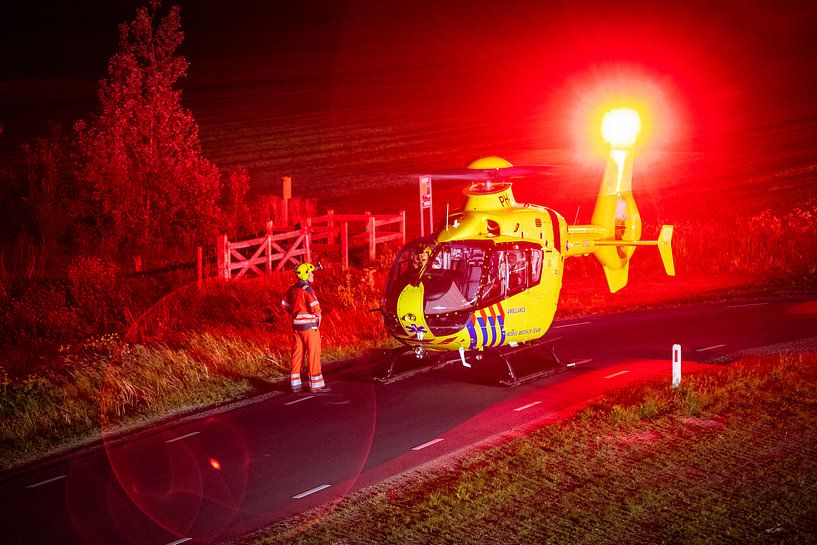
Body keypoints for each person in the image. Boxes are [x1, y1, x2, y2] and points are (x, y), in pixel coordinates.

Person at [281, 262, 330, 393]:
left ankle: (295, 385)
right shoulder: (308, 290)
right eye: (311, 273)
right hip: (309, 328)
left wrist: (295, 314)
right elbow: (316, 308)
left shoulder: (293, 289)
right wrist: (317, 317)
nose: (313, 275)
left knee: (297, 354)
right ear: (306, 275)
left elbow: (284, 304)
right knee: (313, 354)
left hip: (297, 327)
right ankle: (316, 385)